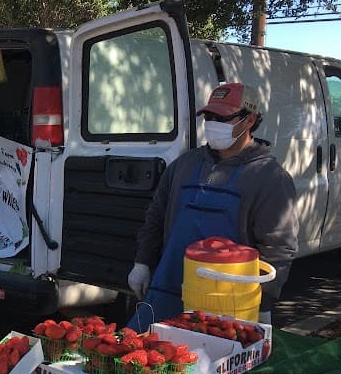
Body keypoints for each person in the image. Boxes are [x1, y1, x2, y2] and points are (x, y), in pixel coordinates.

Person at [126, 82, 299, 331]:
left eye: (222, 117)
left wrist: (264, 303)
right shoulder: (184, 165)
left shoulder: (270, 177)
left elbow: (278, 247)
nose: (212, 123)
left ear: (249, 120)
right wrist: (142, 263)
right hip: (167, 293)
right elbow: (156, 215)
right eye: (209, 116)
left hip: (226, 307)